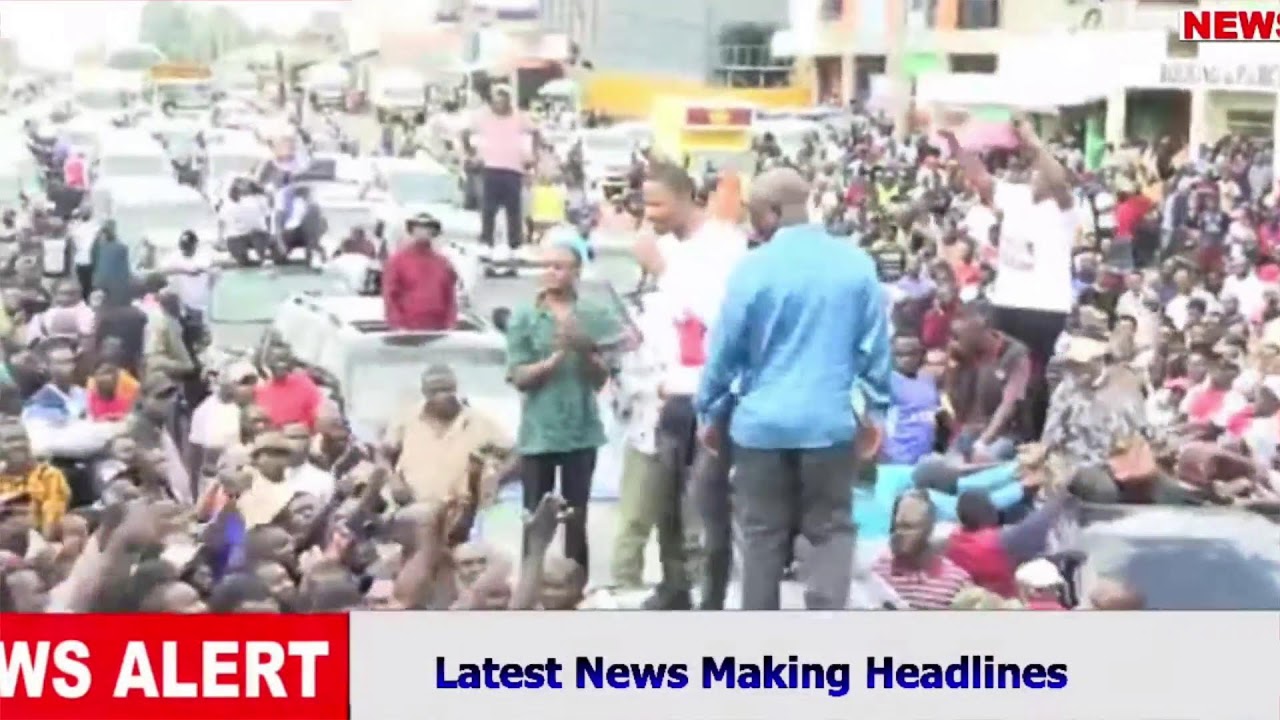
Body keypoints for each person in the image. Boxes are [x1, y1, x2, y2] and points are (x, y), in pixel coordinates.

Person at [697, 167, 892, 610]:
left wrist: (708, 408)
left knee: (762, 535)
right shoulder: (856, 266)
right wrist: (876, 411)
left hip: (760, 427)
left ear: (770, 212)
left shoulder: (751, 270)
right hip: (829, 424)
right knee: (830, 529)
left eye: (753, 213)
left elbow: (725, 350)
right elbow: (875, 350)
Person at [637, 162, 748, 609]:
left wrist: (662, 269)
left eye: (657, 203)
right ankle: (674, 587)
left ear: (686, 198)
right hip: (670, 392)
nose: (650, 214)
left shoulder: (724, 246)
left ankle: (713, 600)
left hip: (714, 395)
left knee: (707, 502)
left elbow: (716, 316)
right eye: (644, 204)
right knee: (664, 503)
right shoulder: (670, 247)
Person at [505, 239, 617, 579]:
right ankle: (529, 584)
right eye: (547, 265)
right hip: (539, 432)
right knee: (535, 517)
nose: (551, 272)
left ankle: (575, 586)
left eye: (560, 266)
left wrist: (584, 350)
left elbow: (601, 379)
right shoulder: (525, 316)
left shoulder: (594, 315)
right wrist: (551, 362)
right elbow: (519, 376)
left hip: (581, 431)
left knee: (576, 516)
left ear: (576, 272)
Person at [382, 364, 512, 507]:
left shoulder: (480, 423)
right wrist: (394, 481)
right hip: (413, 513)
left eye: (447, 390)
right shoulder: (406, 420)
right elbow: (383, 454)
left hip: (463, 514)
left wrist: (496, 480)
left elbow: (515, 455)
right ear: (425, 392)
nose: (442, 396)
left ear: (455, 389)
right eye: (434, 391)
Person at [462, 85, 537, 264]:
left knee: (514, 209)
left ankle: (515, 246)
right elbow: (464, 133)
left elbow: (536, 132)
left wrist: (532, 155)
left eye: (504, 100)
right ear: (492, 102)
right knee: (488, 208)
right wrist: (471, 154)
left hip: (513, 168)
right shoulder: (482, 117)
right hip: (490, 167)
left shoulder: (520, 117)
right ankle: (486, 243)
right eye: (497, 100)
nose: (500, 104)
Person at [381, 213, 457, 331]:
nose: (423, 232)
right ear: (412, 230)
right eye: (419, 228)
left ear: (433, 232)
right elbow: (390, 296)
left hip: (439, 329)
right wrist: (398, 325)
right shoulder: (397, 261)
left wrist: (450, 323)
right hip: (407, 329)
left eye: (427, 228)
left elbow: (450, 296)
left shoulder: (442, 262)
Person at [0, 423, 70, 535]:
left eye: (21, 439)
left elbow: (51, 524)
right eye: (9, 440)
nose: (17, 445)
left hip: (34, 540)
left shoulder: (48, 476)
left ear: (29, 442)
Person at [255, 346, 323, 431]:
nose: (281, 365)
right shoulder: (261, 391)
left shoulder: (305, 384)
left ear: (291, 363)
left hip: (301, 439)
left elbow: (320, 414)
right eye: (276, 360)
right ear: (269, 363)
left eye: (284, 360)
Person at [160, 231, 213, 318]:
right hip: (181, 300)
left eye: (188, 247)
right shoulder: (175, 256)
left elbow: (204, 268)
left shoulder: (203, 256)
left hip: (199, 301)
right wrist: (184, 271)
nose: (185, 250)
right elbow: (163, 271)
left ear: (195, 245)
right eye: (184, 247)